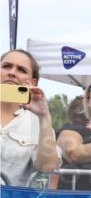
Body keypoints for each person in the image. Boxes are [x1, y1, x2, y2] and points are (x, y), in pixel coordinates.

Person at [0, 49, 60, 187]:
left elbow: (47, 167)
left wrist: (44, 116)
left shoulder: (38, 122)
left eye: (21, 70)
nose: (12, 72)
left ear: (33, 82)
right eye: (6, 66)